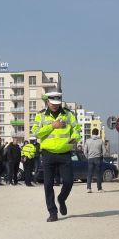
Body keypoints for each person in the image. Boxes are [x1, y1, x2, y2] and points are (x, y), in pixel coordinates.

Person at [31, 92, 81, 222]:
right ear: (47, 102)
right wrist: (52, 126)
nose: (55, 106)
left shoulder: (68, 114)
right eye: (52, 104)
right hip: (48, 154)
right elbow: (36, 133)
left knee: (69, 181)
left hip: (65, 154)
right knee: (48, 184)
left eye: (57, 104)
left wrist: (75, 138)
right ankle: (52, 212)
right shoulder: (40, 115)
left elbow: (77, 129)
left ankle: (61, 199)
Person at [84, 128, 104, 193]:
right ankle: (99, 189)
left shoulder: (87, 140)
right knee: (98, 174)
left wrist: (88, 157)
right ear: (97, 133)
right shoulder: (100, 141)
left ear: (92, 133)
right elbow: (105, 150)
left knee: (89, 174)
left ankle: (89, 188)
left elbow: (85, 151)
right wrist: (101, 155)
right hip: (98, 158)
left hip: (90, 158)